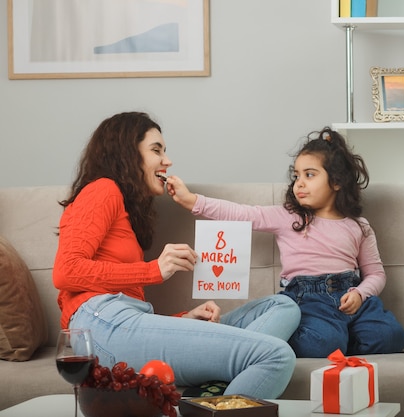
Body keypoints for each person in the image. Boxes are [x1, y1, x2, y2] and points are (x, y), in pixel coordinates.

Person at [52, 111, 300, 399]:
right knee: (276, 356)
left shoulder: (125, 209)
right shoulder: (102, 190)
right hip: (98, 325)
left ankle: (224, 375)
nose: (167, 161)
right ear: (126, 154)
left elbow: (133, 317)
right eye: (156, 150)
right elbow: (66, 271)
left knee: (284, 306)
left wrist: (184, 319)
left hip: (120, 322)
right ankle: (230, 378)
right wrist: (153, 270)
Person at [166, 127, 404, 358]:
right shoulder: (289, 217)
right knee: (321, 342)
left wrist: (361, 293)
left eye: (309, 175)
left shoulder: (359, 226)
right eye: (296, 176)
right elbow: (242, 213)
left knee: (390, 337)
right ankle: (308, 338)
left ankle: (340, 339)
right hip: (308, 301)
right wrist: (192, 200)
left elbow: (376, 274)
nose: (299, 183)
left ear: (337, 181)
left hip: (353, 297)